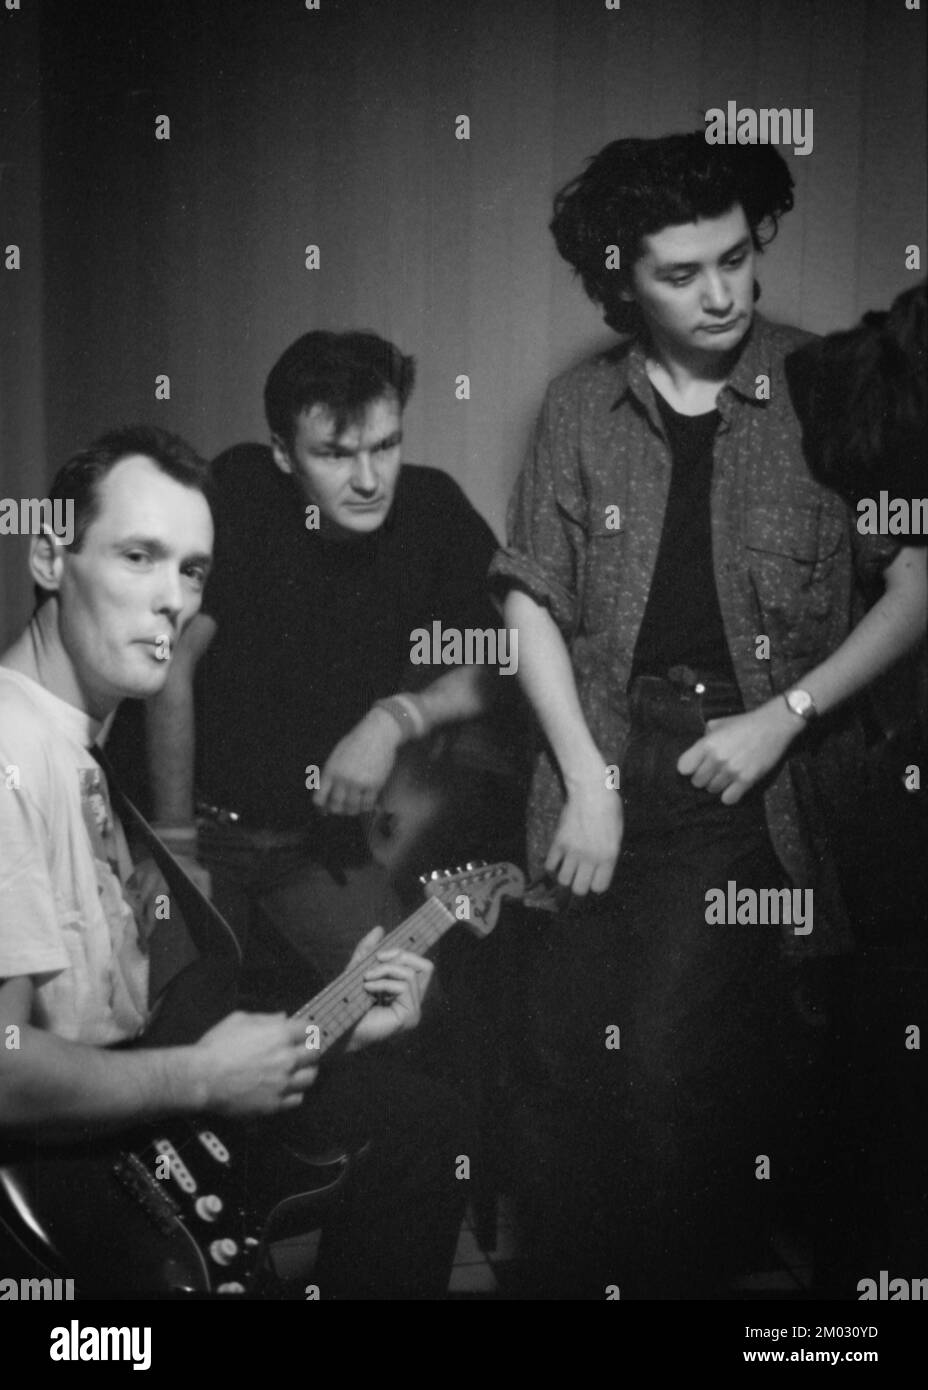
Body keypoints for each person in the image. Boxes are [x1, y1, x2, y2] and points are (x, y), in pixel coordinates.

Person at [489, 133, 927, 1299]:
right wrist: (585, 778)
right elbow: (528, 601)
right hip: (598, 756)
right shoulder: (579, 407)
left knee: (670, 1078)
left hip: (747, 776)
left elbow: (915, 585)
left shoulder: (824, 383)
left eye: (735, 258)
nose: (722, 292)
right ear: (620, 278)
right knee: (556, 1072)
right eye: (681, 274)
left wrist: (786, 713)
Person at [0, 425, 466, 1299]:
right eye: (138, 556)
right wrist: (203, 1077)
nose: (171, 600)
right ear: (51, 558)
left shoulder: (82, 749)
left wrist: (330, 1029)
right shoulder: (10, 756)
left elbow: (135, 1015)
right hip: (66, 1188)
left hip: (142, 1134)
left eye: (192, 571)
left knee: (418, 1119)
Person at [129, 331, 507, 1003]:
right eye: (334, 454)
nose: (368, 480)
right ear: (282, 452)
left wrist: (395, 719)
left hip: (314, 844)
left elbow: (503, 657)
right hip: (193, 828)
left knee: (406, 1001)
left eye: (384, 446)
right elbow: (172, 661)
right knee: (172, 1028)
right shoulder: (241, 489)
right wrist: (175, 848)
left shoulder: (431, 508)